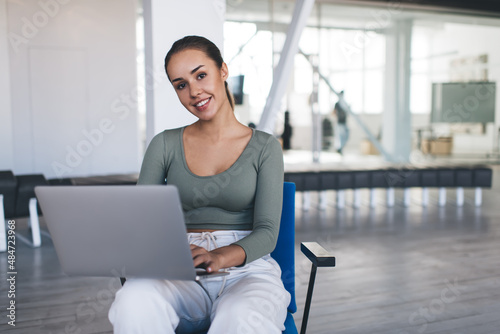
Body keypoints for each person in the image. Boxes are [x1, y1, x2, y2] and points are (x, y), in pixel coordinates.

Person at [108, 35, 290, 334]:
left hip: (246, 271)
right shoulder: (164, 144)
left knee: (240, 317)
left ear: (223, 71)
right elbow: (143, 221)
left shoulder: (265, 147)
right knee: (134, 301)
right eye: (181, 84)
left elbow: (268, 233)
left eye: (201, 75)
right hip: (180, 265)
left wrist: (218, 256)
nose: (194, 91)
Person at [334, 90, 349, 154]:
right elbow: (334, 112)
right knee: (340, 137)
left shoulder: (344, 103)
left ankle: (340, 148)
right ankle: (339, 149)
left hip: (344, 122)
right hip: (339, 123)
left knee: (346, 136)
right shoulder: (337, 104)